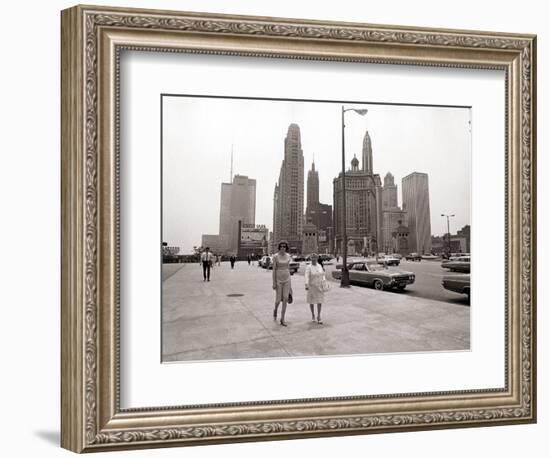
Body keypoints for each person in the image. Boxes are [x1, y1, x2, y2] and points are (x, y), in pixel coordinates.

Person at [272, 240, 292, 326]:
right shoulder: (275, 256)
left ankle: (282, 319)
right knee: (278, 300)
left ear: (286, 248)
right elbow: (273, 270)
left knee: (285, 298)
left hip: (287, 278)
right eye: (281, 246)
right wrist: (274, 282)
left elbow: (288, 268)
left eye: (284, 246)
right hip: (278, 280)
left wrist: (290, 286)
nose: (283, 248)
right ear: (279, 248)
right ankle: (275, 309)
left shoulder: (288, 256)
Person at [305, 253, 326, 324]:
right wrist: (306, 284)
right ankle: (313, 315)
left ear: (317, 258)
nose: (314, 259)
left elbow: (323, 274)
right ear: (310, 259)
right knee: (312, 301)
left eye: (315, 258)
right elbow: (306, 276)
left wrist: (324, 282)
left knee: (319, 301)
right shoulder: (308, 267)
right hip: (312, 286)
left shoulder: (319, 266)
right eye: (312, 258)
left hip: (319, 286)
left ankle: (319, 316)